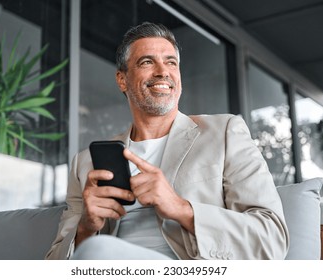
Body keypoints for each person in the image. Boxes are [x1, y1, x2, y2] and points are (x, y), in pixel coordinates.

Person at [46, 22, 289, 260]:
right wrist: (86, 229)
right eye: (147, 62)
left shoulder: (225, 132)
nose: (163, 71)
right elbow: (53, 265)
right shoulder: (85, 163)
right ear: (122, 80)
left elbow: (271, 239)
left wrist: (181, 208)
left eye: (171, 62)